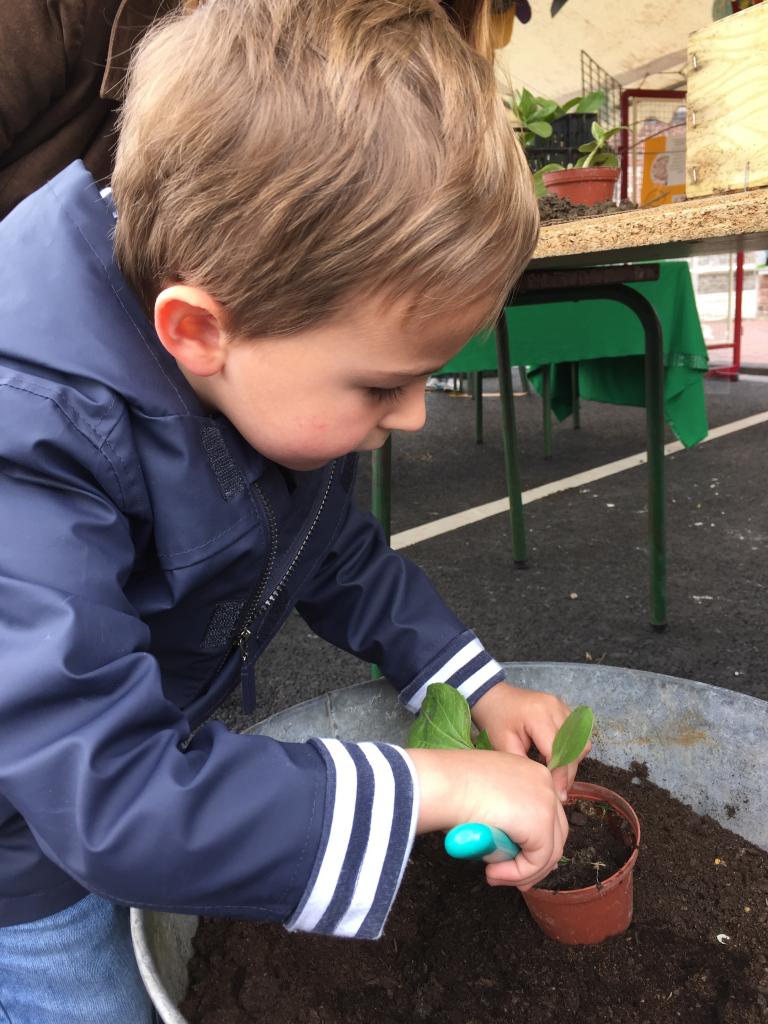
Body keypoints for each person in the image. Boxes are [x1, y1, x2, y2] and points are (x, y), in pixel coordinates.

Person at [0, 2, 588, 1021]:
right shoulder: (29, 436)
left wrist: (472, 683)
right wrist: (429, 788)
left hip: (124, 770)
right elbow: (112, 792)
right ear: (200, 330)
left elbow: (337, 554)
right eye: (379, 386)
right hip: (22, 848)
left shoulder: (257, 362)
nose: (408, 417)